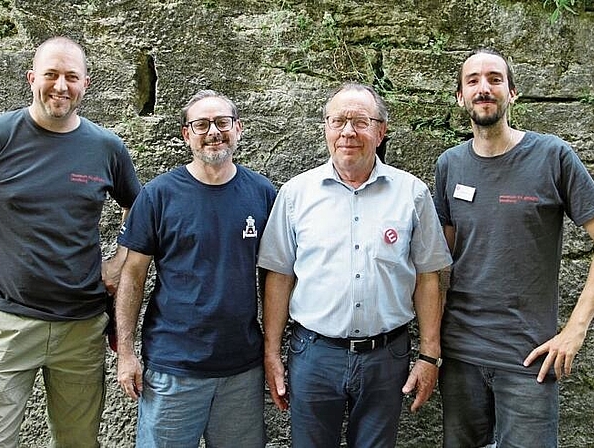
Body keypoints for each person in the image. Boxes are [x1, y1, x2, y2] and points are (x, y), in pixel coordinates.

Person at [0, 36, 141, 447]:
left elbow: (138, 211)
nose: (61, 86)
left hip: (82, 327)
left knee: (78, 443)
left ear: (85, 84)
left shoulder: (107, 147)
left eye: (71, 77)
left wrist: (118, 260)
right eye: (51, 74)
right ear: (31, 78)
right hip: (7, 324)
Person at [258, 82, 452, 447]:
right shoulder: (296, 194)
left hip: (386, 357)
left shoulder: (412, 194)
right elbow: (279, 275)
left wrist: (430, 354)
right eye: (338, 121)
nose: (348, 132)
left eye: (361, 122)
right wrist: (271, 354)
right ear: (326, 129)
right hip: (314, 355)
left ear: (380, 132)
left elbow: (429, 276)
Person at [434, 48, 594, 447]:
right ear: (460, 97)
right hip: (460, 359)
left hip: (529, 360)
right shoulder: (449, 166)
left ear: (513, 92)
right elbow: (440, 268)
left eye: (494, 79)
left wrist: (574, 332)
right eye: (472, 81)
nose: (483, 88)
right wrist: (431, 347)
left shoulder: (552, 156)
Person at [115, 89, 277, 447]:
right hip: (173, 367)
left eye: (222, 122)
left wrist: (272, 350)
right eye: (201, 124)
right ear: (187, 134)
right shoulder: (158, 195)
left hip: (241, 368)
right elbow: (132, 275)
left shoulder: (262, 193)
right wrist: (126, 353)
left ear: (239, 129)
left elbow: (275, 276)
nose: (213, 132)